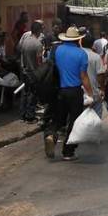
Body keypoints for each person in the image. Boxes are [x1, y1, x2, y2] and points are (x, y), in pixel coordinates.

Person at [44, 26, 96, 161]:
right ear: (78, 39)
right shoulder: (81, 54)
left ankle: (51, 134)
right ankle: (68, 151)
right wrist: (90, 94)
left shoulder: (57, 50)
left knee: (58, 118)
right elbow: (83, 76)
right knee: (74, 122)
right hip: (75, 92)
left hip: (60, 90)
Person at [17, 21, 44, 122]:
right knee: (32, 95)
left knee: (24, 93)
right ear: (39, 31)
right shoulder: (38, 44)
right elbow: (39, 62)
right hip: (33, 73)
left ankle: (22, 114)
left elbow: (19, 51)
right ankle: (30, 116)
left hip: (24, 71)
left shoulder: (24, 42)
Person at [79, 27, 106, 120]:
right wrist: (102, 89)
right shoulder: (96, 57)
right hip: (94, 91)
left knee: (81, 118)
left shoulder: (77, 55)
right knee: (96, 117)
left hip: (79, 91)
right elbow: (100, 75)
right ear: (92, 44)